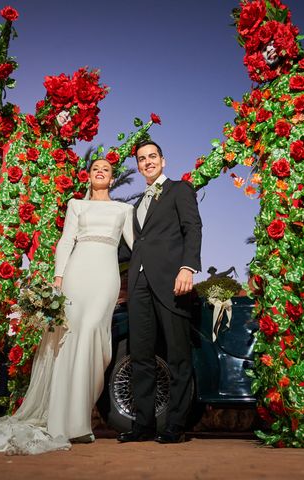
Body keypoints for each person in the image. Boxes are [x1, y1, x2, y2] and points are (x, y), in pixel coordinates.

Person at [0, 158, 134, 454]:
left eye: (106, 170)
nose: (101, 172)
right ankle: (71, 424)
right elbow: (65, 242)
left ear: (112, 179)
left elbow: (136, 245)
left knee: (94, 337)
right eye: (95, 169)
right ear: (89, 176)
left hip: (106, 276)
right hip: (76, 273)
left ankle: (81, 412)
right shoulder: (76, 205)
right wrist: (59, 280)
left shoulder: (123, 210)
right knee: (69, 337)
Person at [118, 140, 202, 444]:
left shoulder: (180, 189)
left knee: (178, 355)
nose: (147, 162)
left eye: (152, 156)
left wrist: (187, 268)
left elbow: (192, 228)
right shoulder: (137, 203)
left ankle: (176, 426)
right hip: (138, 286)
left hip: (171, 281)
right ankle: (143, 425)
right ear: (138, 166)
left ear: (163, 161)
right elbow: (130, 247)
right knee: (139, 355)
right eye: (142, 159)